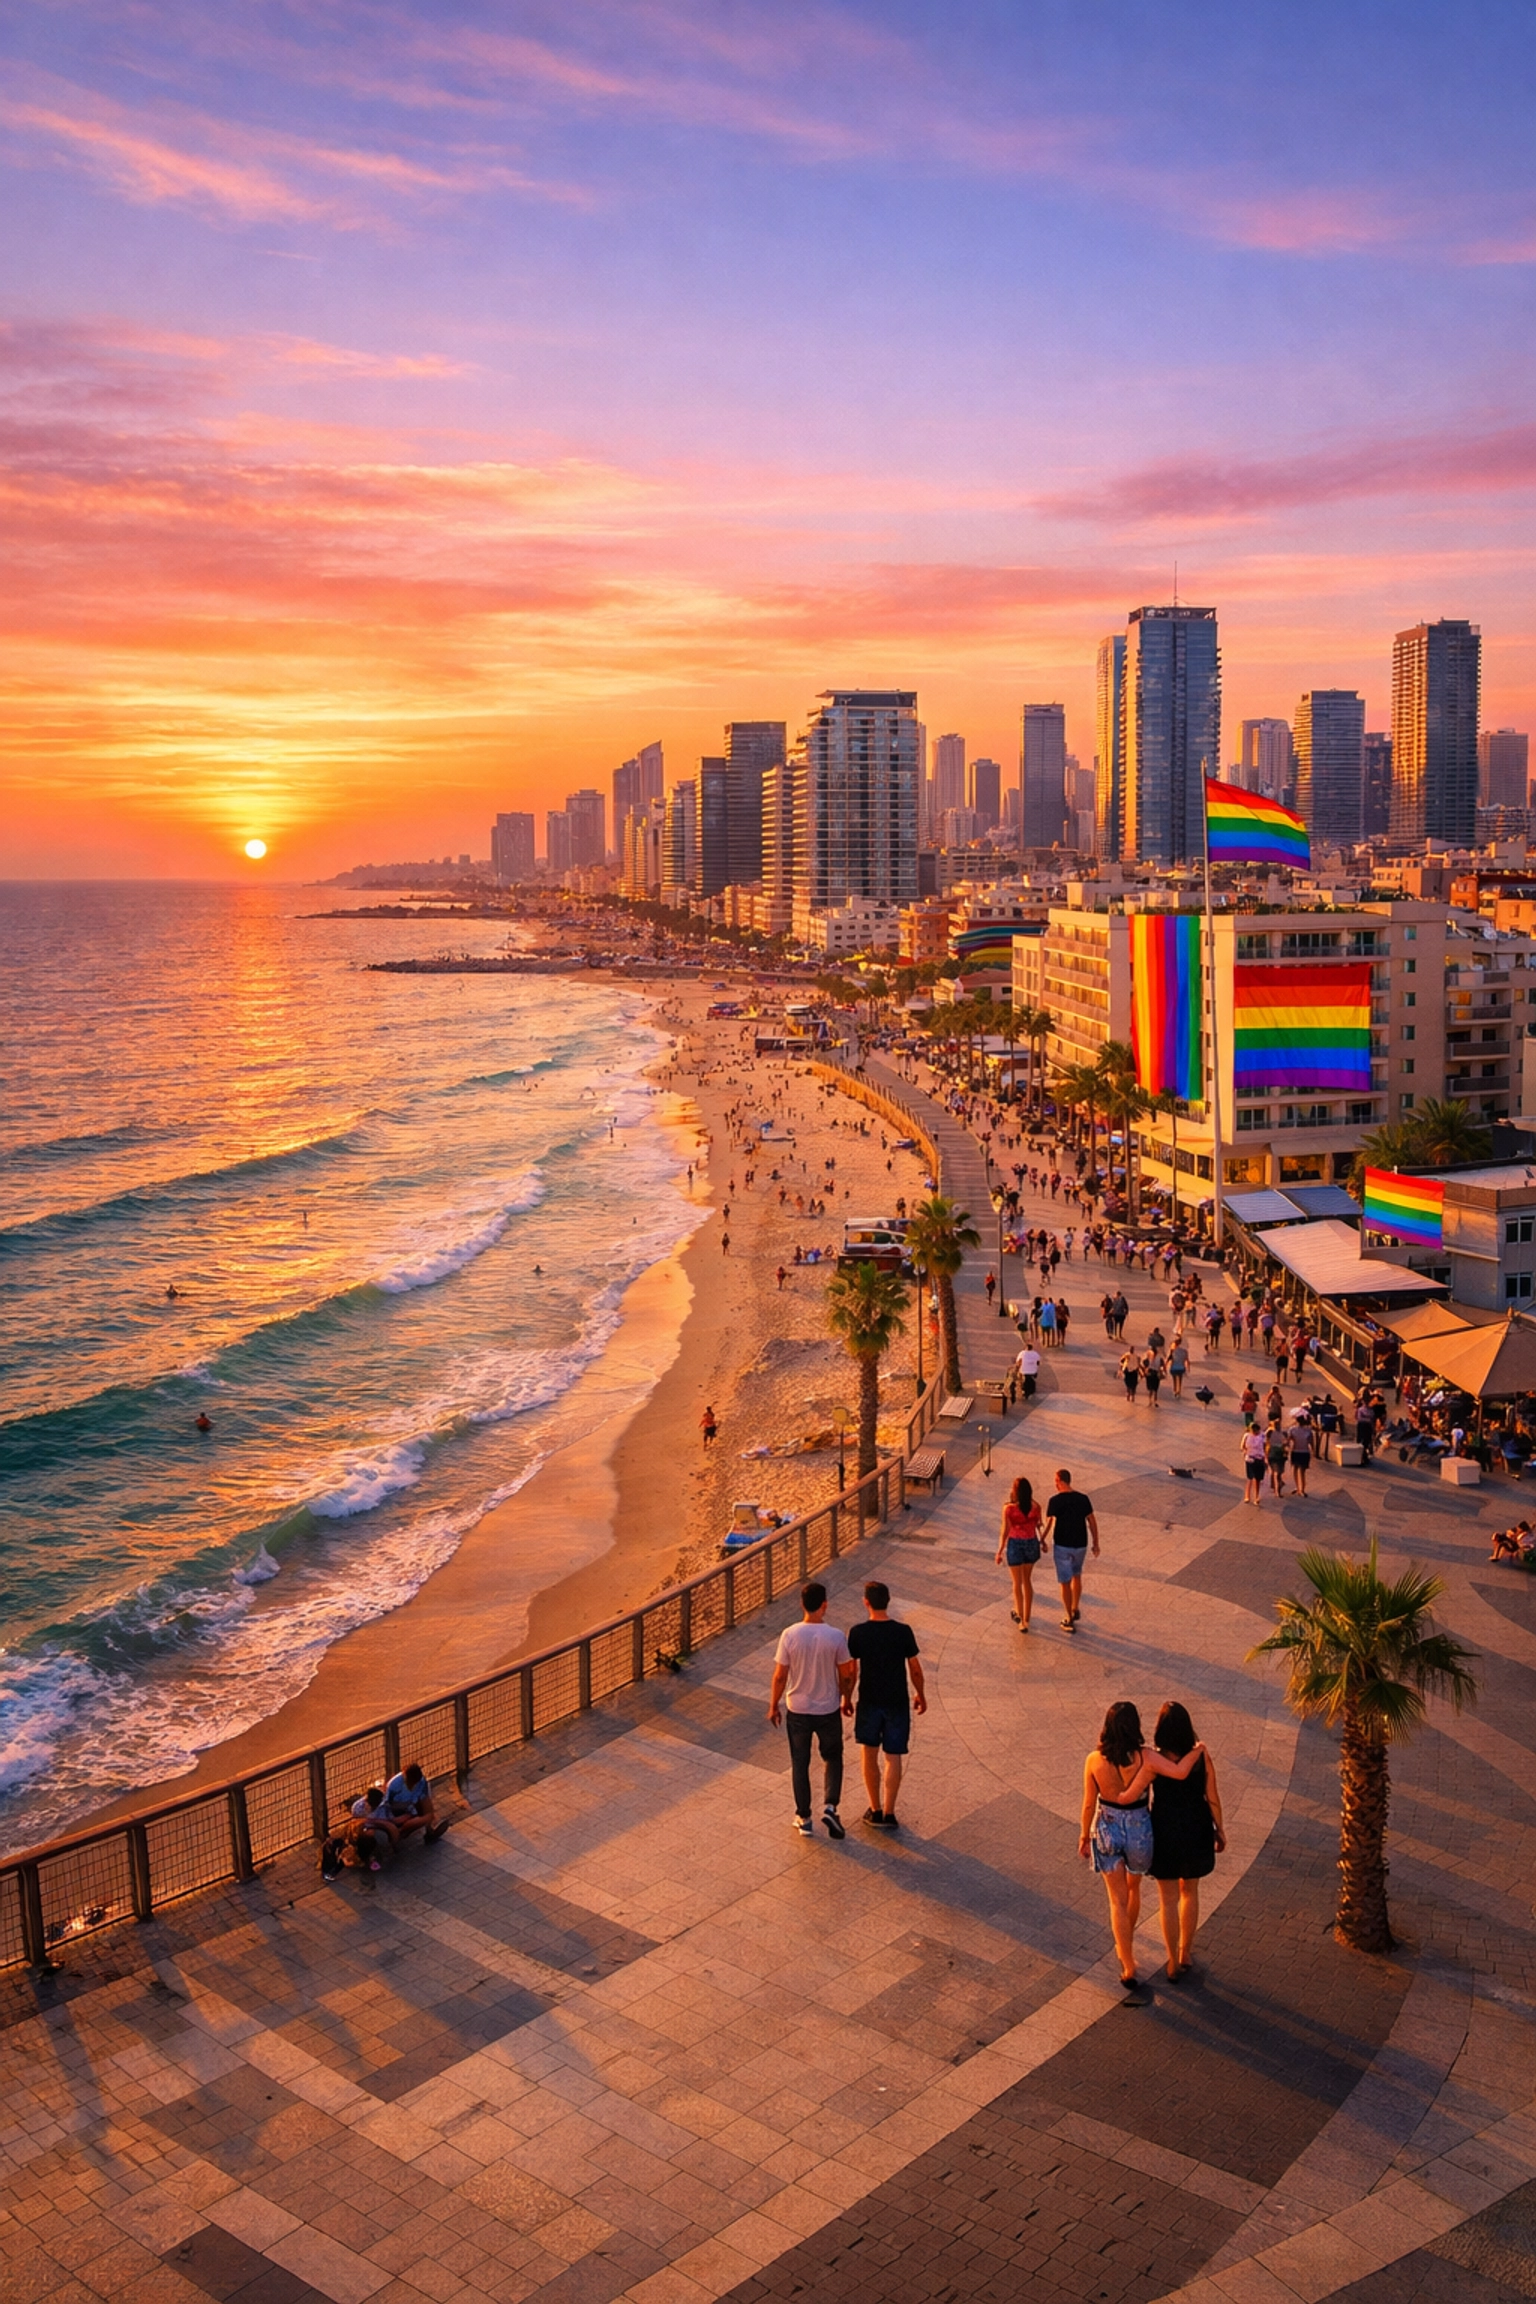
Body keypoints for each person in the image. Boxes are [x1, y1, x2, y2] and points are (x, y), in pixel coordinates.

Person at [1079, 1701, 1206, 1993]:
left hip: (1108, 1827)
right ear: (1135, 1725)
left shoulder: (1093, 1761)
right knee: (1133, 1888)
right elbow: (1178, 1771)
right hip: (1139, 1829)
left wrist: (1084, 1835)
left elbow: (1088, 1803)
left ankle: (1128, 1963)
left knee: (1116, 1901)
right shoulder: (1145, 1757)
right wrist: (1199, 1749)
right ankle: (1134, 1939)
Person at [768, 1581, 855, 1839]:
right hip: (828, 1709)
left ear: (802, 1604)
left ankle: (804, 1818)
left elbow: (780, 1675)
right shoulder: (836, 1636)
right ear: (824, 1605)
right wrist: (846, 1698)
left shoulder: (790, 1634)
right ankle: (830, 1805)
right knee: (832, 1756)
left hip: (798, 1709)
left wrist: (774, 1705)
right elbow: (847, 1674)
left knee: (800, 1762)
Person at [1148, 1701, 1225, 1981]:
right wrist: (1220, 1829)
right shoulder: (1201, 1758)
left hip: (1164, 1828)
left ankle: (1170, 1961)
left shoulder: (1154, 1759)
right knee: (1189, 1892)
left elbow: (1142, 1795)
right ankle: (1185, 1952)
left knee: (1167, 1899)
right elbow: (1212, 1797)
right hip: (1196, 1826)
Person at [848, 1581, 926, 1830]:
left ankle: (875, 1809)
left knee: (869, 1753)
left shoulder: (858, 1632)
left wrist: (845, 1697)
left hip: (869, 1700)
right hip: (897, 1701)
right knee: (893, 1756)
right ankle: (890, 1812)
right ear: (889, 1601)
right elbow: (914, 1668)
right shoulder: (903, 1632)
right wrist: (920, 1694)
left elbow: (851, 1671)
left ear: (866, 1602)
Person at [1045, 1468, 1098, 1633]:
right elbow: (1092, 1521)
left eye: (1055, 1480)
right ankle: (1075, 1608)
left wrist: (1041, 1539)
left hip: (1062, 1545)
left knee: (1065, 1582)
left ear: (1060, 1481)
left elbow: (1049, 1523)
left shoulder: (1055, 1501)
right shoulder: (1083, 1499)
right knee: (1077, 1575)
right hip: (1080, 1544)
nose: (1055, 1483)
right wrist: (1096, 1543)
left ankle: (1068, 1616)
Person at [996, 1474, 1043, 1632]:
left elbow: (1005, 1531)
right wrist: (1042, 1542)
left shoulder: (1009, 1509)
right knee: (1027, 1581)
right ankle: (1027, 1618)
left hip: (1015, 1544)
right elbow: (1039, 1525)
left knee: (1017, 1583)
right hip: (1031, 1543)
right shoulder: (1036, 1507)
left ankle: (1020, 1617)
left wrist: (1000, 1550)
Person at [384, 1762, 447, 1844]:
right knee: (420, 1819)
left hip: (412, 1805)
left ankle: (429, 1830)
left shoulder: (421, 1781)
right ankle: (400, 1832)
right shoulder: (393, 1785)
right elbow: (388, 1804)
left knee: (426, 1802)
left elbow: (424, 1797)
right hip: (398, 1810)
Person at [1241, 1422, 1267, 1504]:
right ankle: (1247, 1496)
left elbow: (1265, 1446)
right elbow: (1242, 1446)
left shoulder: (1262, 1436)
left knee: (1258, 1479)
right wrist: (1246, 1452)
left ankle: (1256, 1497)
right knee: (1250, 1478)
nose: (1254, 1432)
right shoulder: (1247, 1436)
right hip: (1250, 1459)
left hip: (1259, 1459)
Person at [1288, 1411, 1312, 1497]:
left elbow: (1289, 1440)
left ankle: (1298, 1487)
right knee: (1302, 1471)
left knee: (1295, 1470)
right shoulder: (1308, 1431)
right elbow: (1310, 1442)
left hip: (1296, 1451)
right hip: (1305, 1452)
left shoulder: (1292, 1430)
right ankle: (1302, 1489)